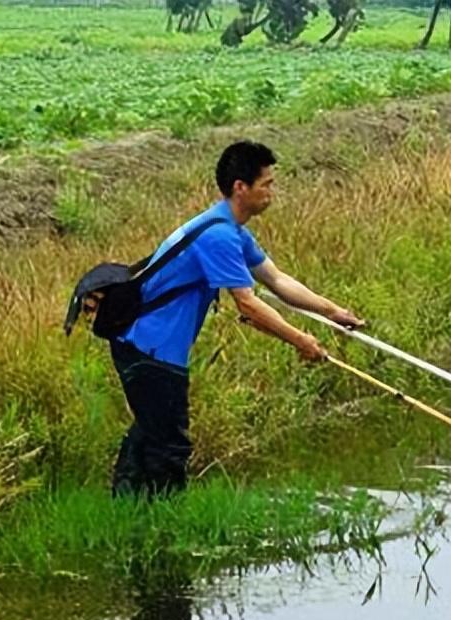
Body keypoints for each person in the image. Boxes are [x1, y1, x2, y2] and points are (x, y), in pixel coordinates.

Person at [107, 140, 364, 499]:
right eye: (267, 185)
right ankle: (161, 518)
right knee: (169, 445)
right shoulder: (219, 236)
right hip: (150, 346)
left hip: (147, 343)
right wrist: (301, 341)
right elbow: (248, 304)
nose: (272, 192)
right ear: (241, 187)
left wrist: (332, 311)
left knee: (152, 432)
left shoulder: (231, 229)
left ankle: (128, 507)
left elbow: (276, 280)